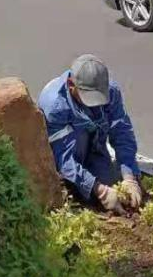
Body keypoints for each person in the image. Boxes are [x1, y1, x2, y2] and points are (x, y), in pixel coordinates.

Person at [39, 54, 142, 215]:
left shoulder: (111, 91)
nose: (97, 103)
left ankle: (94, 176)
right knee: (88, 194)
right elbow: (63, 157)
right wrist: (100, 190)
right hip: (71, 149)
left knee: (110, 183)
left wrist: (129, 176)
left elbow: (122, 131)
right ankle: (71, 183)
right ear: (71, 85)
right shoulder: (55, 106)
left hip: (94, 144)